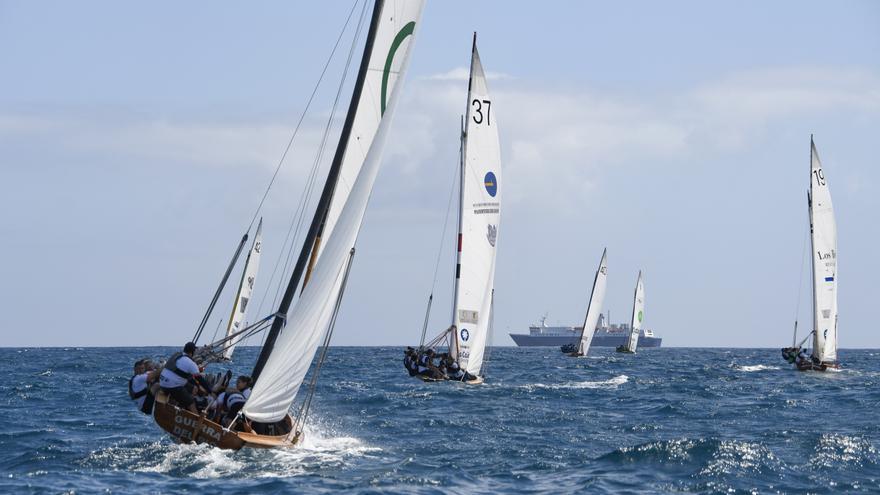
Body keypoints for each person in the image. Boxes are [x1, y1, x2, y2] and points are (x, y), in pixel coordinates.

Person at [159, 342, 206, 414]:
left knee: (192, 388)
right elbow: (198, 380)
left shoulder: (176, 355)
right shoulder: (190, 363)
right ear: (192, 352)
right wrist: (210, 391)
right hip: (172, 386)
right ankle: (197, 420)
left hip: (162, 382)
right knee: (191, 401)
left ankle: (180, 404)